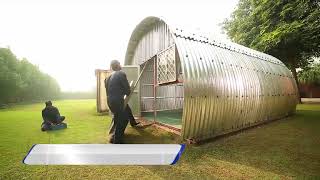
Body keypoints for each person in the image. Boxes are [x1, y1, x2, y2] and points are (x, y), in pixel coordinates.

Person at [105, 60, 132, 144]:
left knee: (118, 118)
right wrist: (125, 91)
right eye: (119, 64)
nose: (121, 65)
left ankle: (114, 137)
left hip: (110, 101)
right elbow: (127, 91)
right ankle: (117, 141)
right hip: (117, 101)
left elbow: (108, 92)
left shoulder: (107, 78)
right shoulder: (121, 74)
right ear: (117, 65)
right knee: (123, 119)